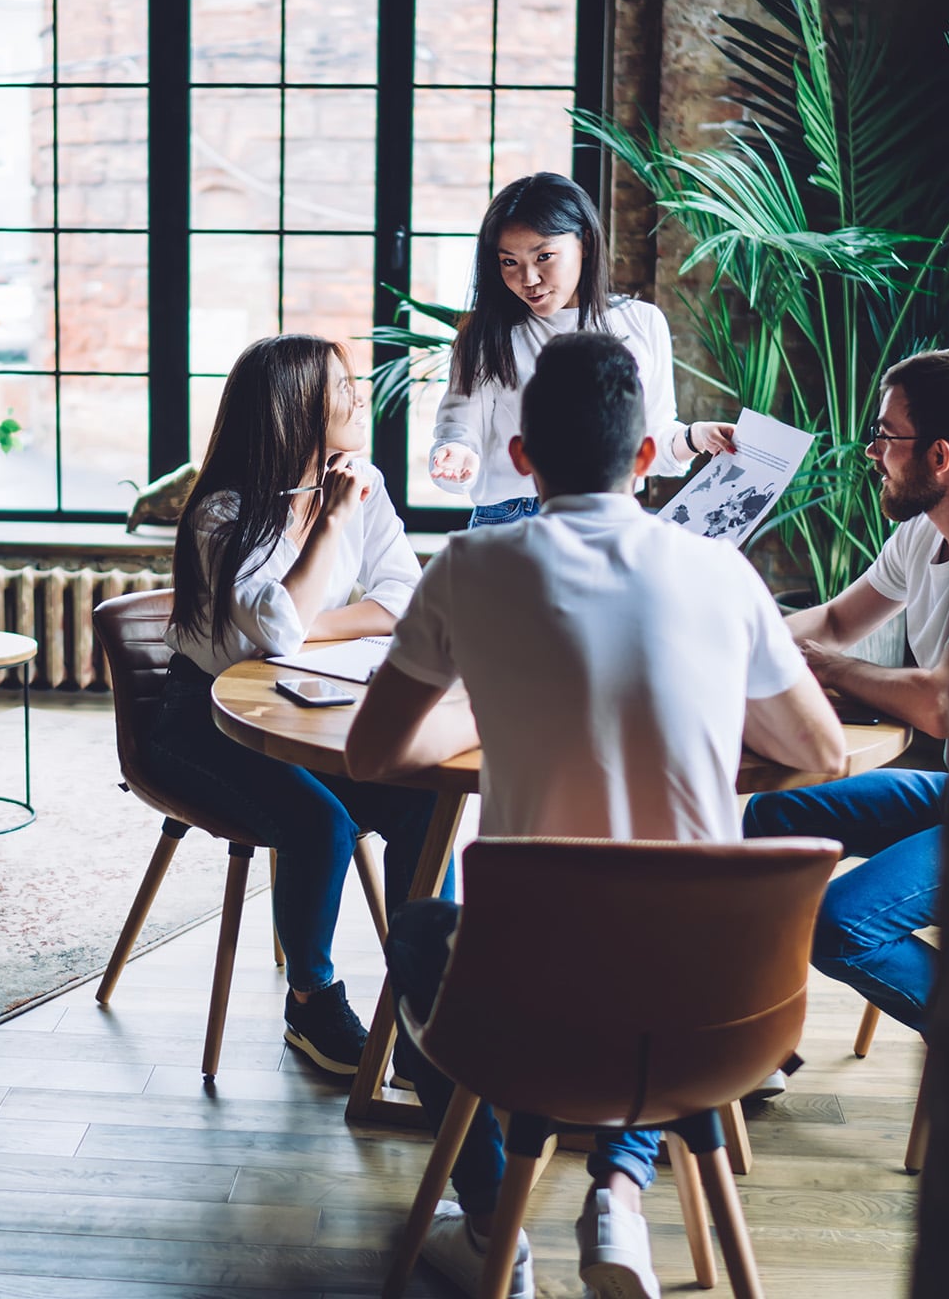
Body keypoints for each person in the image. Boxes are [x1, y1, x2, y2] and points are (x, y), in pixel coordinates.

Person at [347, 331, 845, 1299]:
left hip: (520, 1004)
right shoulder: (720, 574)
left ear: (520, 455)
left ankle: (495, 1224)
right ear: (646, 455)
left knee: (418, 932)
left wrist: (480, 704)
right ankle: (617, 1187)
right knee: (659, 942)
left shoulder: (466, 567)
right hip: (719, 1012)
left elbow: (373, 753)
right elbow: (817, 753)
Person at [148, 334, 448, 1079]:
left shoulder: (362, 480)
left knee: (424, 801)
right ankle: (311, 1002)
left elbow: (405, 598)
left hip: (297, 705)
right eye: (342, 386)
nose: (358, 396)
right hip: (202, 719)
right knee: (322, 824)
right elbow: (279, 630)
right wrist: (333, 525)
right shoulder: (222, 513)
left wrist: (301, 626)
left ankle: (427, 1005)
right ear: (293, 412)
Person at [742, 348, 949, 1040]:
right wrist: (749, 641)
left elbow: (941, 703)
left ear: (938, 455)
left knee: (841, 927)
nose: (872, 450)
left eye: (885, 435)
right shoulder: (920, 537)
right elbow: (839, 621)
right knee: (765, 823)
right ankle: (745, 1040)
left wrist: (828, 669)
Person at [429, 171, 736, 526]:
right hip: (511, 518)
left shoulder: (641, 322)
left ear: (585, 243)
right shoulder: (486, 336)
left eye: (544, 256)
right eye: (509, 262)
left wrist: (694, 437)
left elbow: (647, 443)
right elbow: (457, 433)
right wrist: (456, 457)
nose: (528, 279)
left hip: (611, 518)